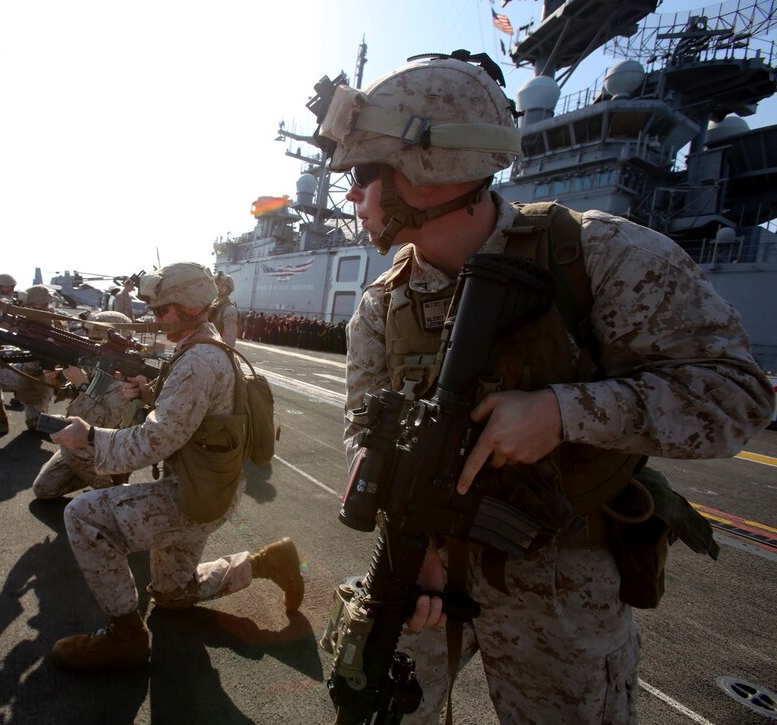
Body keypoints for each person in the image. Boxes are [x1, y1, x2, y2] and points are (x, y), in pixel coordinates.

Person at [314, 51, 774, 722]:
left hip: (558, 590)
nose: (351, 194)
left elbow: (739, 395)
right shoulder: (383, 307)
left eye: (362, 173)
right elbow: (366, 432)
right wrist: (424, 554)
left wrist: (565, 412)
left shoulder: (596, 255)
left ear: (430, 169)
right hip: (428, 573)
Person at [48, 262, 304, 671]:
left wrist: (91, 437)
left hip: (192, 496)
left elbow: (155, 440)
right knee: (170, 594)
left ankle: (125, 634)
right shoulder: (207, 345)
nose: (156, 317)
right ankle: (264, 563)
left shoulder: (197, 361)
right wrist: (151, 397)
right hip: (208, 487)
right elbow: (194, 418)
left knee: (83, 514)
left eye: (164, 309)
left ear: (189, 306)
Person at [31, 311, 134, 499]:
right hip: (82, 442)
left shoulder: (127, 380)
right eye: (89, 338)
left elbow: (105, 422)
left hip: (106, 445)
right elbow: (72, 395)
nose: (89, 343)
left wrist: (84, 385)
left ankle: (114, 491)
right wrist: (57, 381)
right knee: (44, 489)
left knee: (70, 446)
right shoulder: (94, 364)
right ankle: (94, 477)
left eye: (96, 339)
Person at [0, 284, 56, 433]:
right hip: (46, 381)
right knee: (35, 425)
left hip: (31, 376)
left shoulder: (33, 320)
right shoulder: (55, 318)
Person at [208, 271, 239, 346]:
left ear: (228, 288)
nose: (216, 286)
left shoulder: (229, 309)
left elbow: (229, 339)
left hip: (216, 349)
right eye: (215, 283)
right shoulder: (211, 303)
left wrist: (224, 351)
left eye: (219, 284)